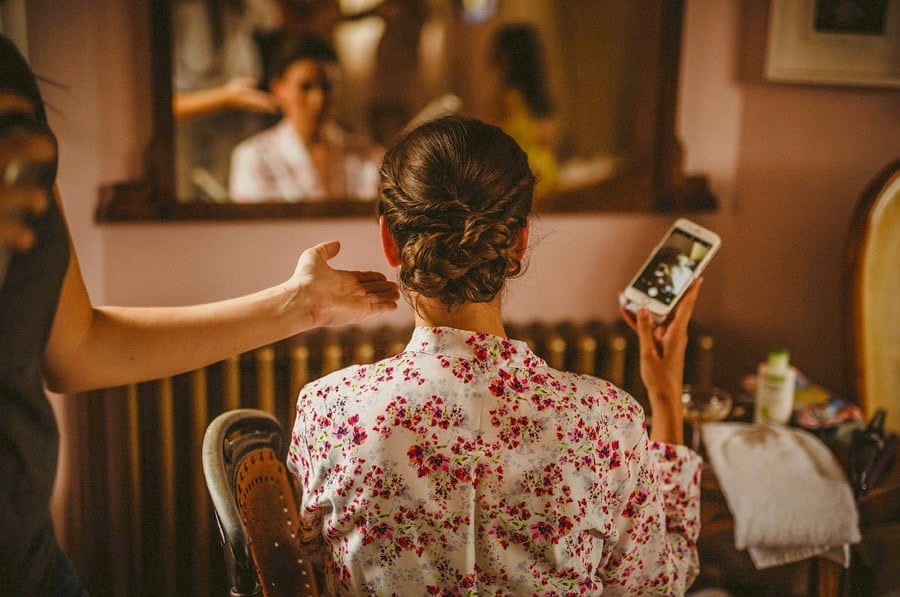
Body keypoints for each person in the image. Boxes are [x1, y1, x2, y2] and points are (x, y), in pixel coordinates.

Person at [0, 34, 399, 596]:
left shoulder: (12, 89)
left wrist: (299, 303)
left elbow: (75, 347)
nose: (30, 189)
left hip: (32, 559)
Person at [288, 115, 702, 595]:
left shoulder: (328, 410)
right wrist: (666, 400)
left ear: (390, 242)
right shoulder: (606, 423)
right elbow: (655, 587)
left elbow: (315, 567)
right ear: (519, 241)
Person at [229, 34, 383, 202]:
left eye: (327, 87)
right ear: (278, 88)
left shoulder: (370, 157)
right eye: (305, 87)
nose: (318, 100)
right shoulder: (254, 157)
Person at [488, 23, 560, 198]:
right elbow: (547, 137)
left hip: (520, 182)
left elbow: (489, 140)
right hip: (546, 177)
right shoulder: (538, 98)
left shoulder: (506, 98)